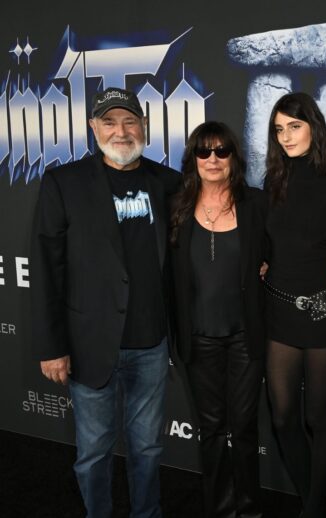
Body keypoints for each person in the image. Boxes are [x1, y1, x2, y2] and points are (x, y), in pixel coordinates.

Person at [30, 87, 180, 518]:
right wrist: (51, 346)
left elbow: (221, 216)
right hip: (88, 344)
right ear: (93, 127)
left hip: (151, 344)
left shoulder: (167, 181)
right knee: (94, 453)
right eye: (110, 122)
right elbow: (46, 268)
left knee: (148, 448)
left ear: (144, 128)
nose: (121, 130)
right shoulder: (64, 183)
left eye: (130, 121)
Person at [169, 121, 267, 518]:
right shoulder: (175, 206)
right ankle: (220, 510)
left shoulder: (256, 204)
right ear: (193, 158)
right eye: (204, 151)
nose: (212, 159)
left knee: (243, 429)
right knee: (211, 431)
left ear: (233, 158)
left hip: (246, 336)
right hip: (197, 337)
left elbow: (293, 246)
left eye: (221, 151)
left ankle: (249, 510)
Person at [262, 92, 326, 517]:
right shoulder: (272, 182)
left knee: (319, 417)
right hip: (279, 309)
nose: (286, 136)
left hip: (322, 310)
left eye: (294, 126)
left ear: (313, 126)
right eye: (279, 129)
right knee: (282, 418)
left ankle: (313, 509)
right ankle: (310, 499)